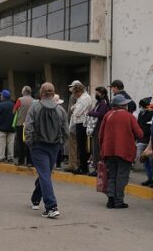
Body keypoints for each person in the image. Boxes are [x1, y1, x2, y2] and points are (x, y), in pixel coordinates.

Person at [24, 83, 70, 218]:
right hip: (54, 146)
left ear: (41, 93)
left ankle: (51, 206)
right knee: (46, 174)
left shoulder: (35, 107)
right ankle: (36, 199)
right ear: (53, 93)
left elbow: (29, 126)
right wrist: (61, 142)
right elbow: (65, 130)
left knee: (44, 175)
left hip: (39, 146)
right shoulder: (60, 110)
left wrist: (30, 143)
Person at [99, 94, 143, 209]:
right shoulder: (129, 116)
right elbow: (140, 134)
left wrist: (102, 149)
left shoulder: (107, 115)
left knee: (111, 175)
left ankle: (110, 199)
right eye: (126, 104)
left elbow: (100, 135)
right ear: (122, 105)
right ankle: (119, 201)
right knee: (122, 176)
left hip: (109, 150)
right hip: (125, 151)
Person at [69, 81, 94, 175]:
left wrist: (74, 109)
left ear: (79, 91)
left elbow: (76, 112)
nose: (75, 96)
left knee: (82, 147)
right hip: (79, 123)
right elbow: (73, 108)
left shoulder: (85, 98)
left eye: (75, 93)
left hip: (82, 124)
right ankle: (81, 166)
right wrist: (74, 108)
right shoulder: (82, 98)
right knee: (80, 147)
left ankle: (83, 168)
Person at [87, 86, 111, 174]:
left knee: (97, 149)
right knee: (95, 149)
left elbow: (101, 114)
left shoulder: (103, 103)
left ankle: (98, 168)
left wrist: (90, 113)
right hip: (96, 127)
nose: (96, 95)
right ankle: (97, 167)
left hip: (99, 127)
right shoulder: (99, 103)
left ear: (103, 94)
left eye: (97, 93)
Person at [136, 98, 153, 186]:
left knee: (152, 161)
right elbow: (138, 125)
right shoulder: (141, 114)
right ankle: (149, 178)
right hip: (142, 140)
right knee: (145, 161)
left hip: (150, 140)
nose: (141, 108)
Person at [13, 86, 34, 166]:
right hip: (30, 124)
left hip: (20, 124)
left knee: (20, 143)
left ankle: (21, 161)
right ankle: (30, 162)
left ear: (24, 92)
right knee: (29, 143)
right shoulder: (34, 101)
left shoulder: (19, 100)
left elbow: (14, 110)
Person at [0, 89, 16, 163]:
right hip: (12, 128)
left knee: (1, 143)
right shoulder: (13, 104)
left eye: (1, 95)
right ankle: (10, 157)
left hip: (1, 127)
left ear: (3, 96)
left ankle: (1, 157)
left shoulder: (0, 105)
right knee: (10, 143)